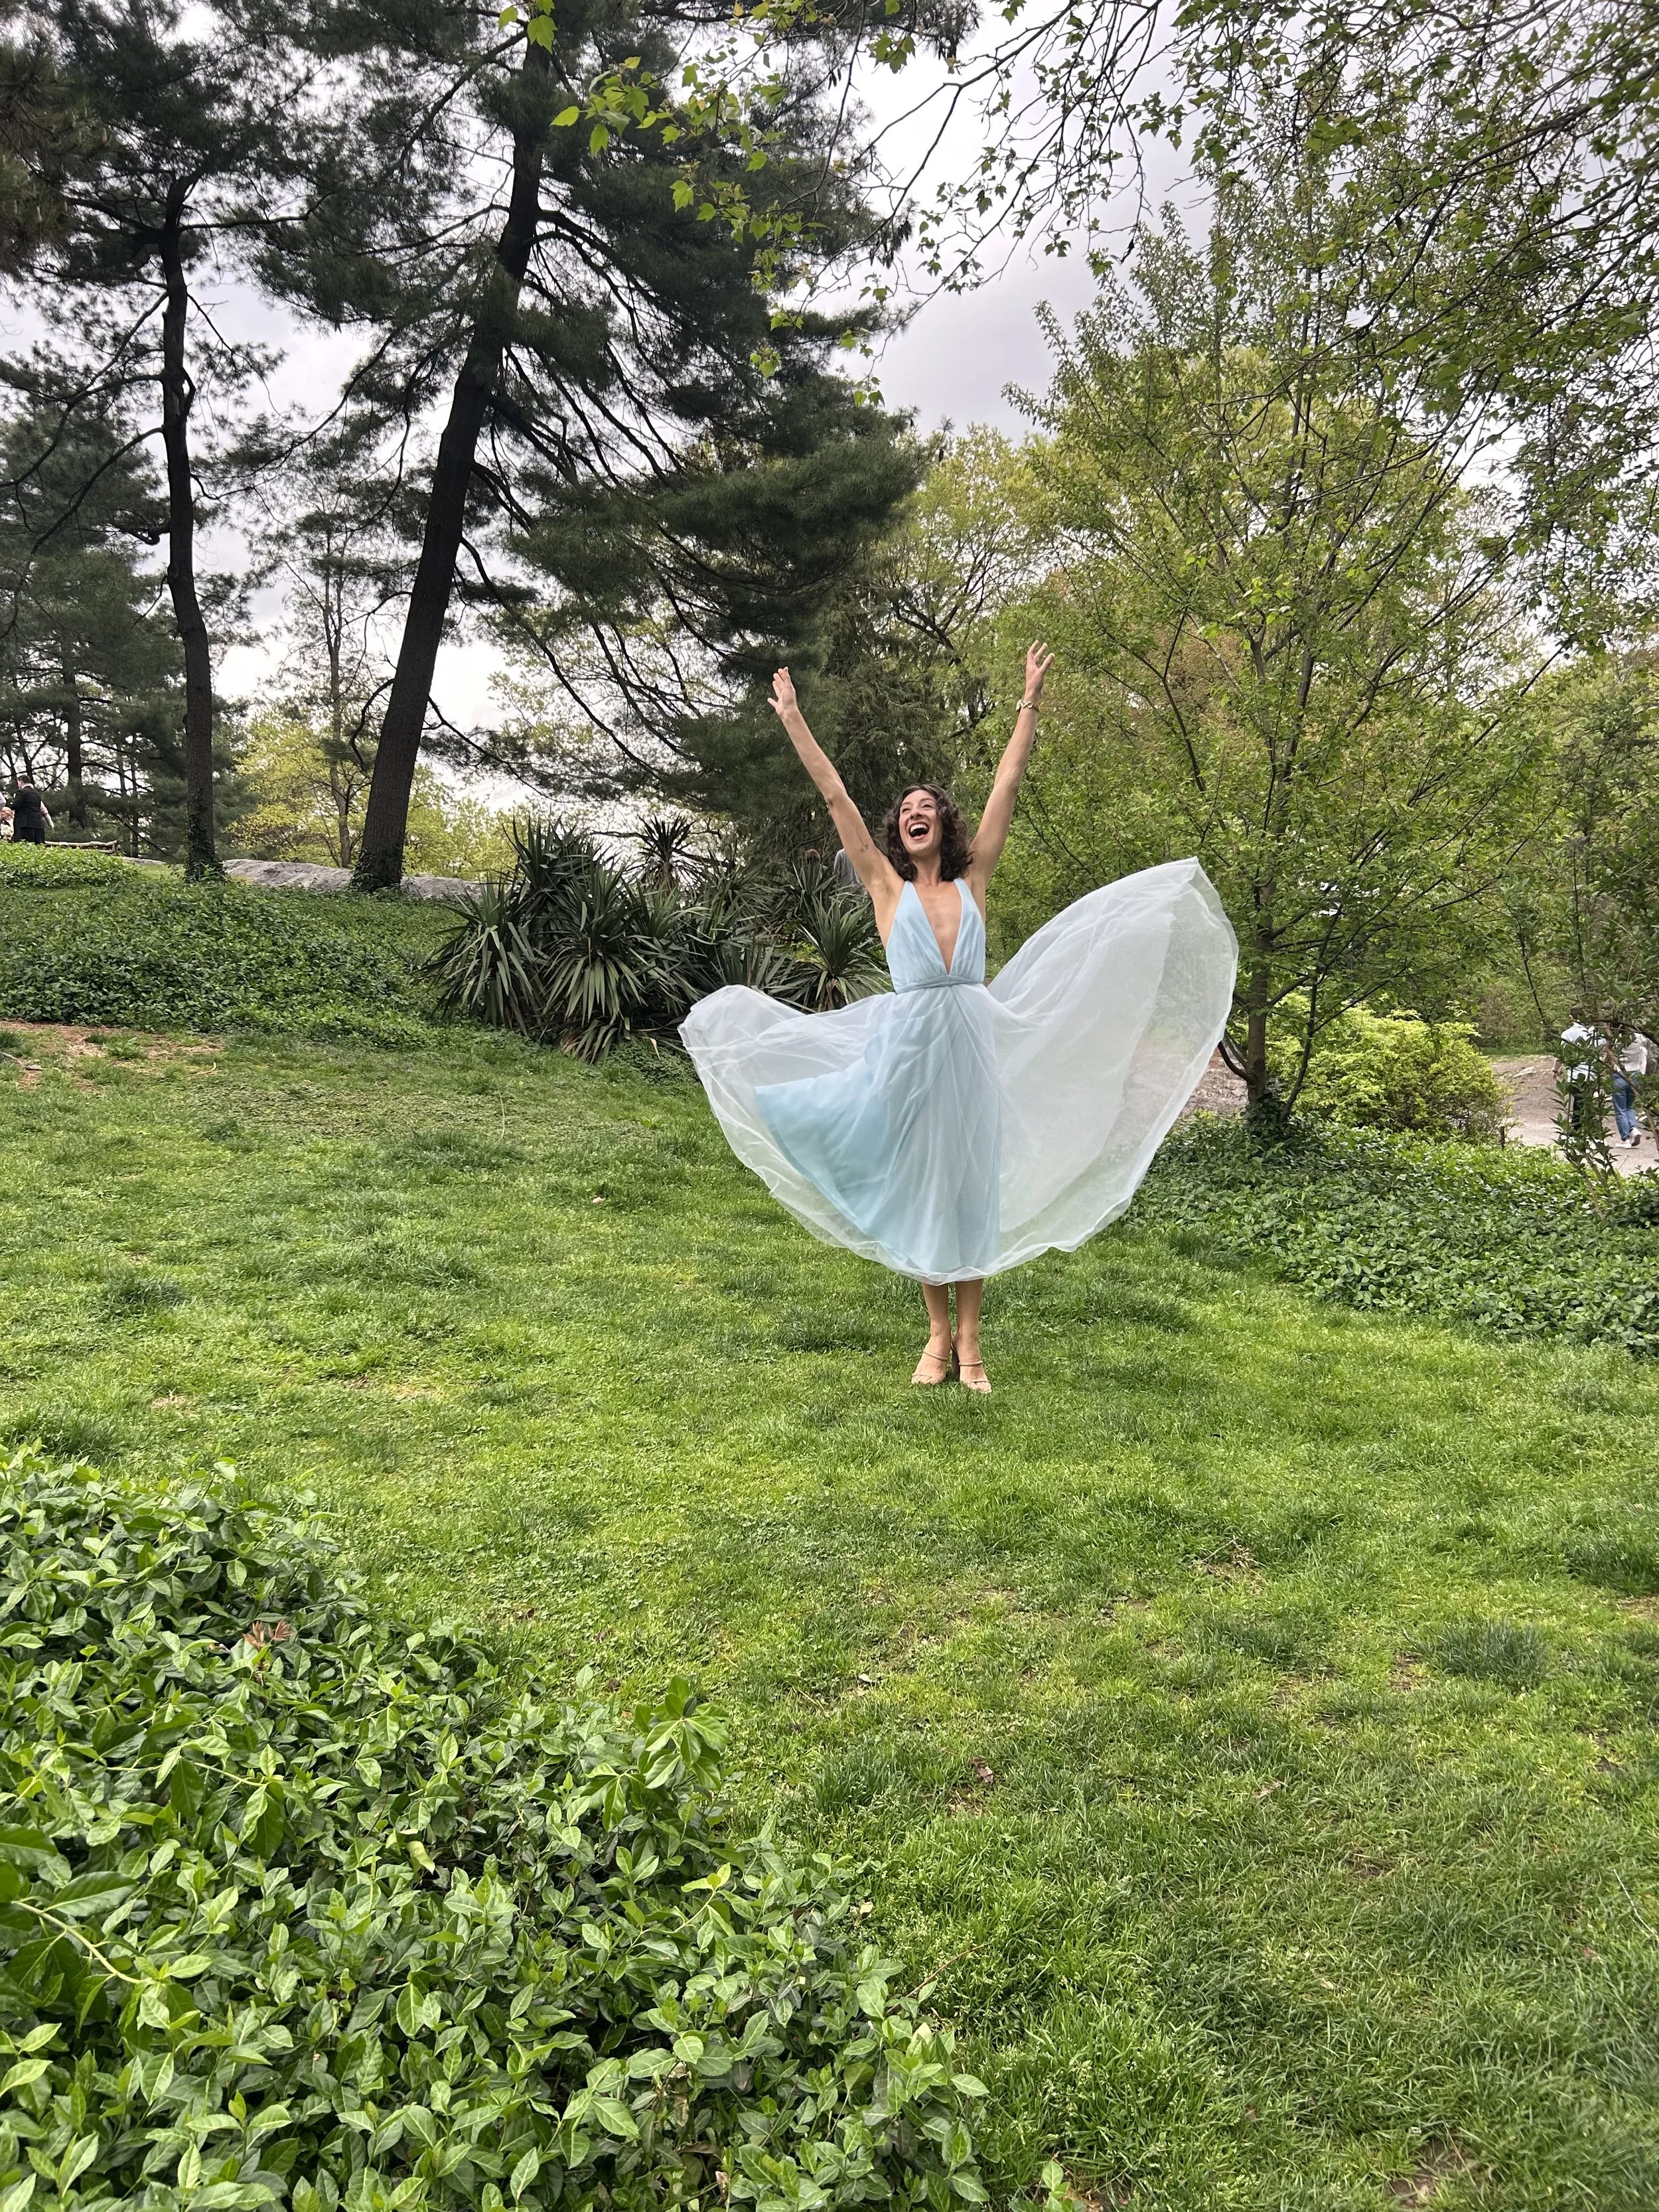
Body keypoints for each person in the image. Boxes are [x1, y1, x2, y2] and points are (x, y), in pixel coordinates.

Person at [680, 646, 1238, 1392]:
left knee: (971, 1189)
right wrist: (793, 723)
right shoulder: (883, 886)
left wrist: (1029, 701)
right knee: (920, 1187)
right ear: (897, 832)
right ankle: (935, 1337)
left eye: (925, 809)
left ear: (944, 823)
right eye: (904, 812)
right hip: (908, 1055)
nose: (913, 816)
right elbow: (837, 799)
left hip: (971, 1051)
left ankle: (971, 1344)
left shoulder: (975, 881)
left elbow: (1008, 781)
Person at [1615, 1031, 1652, 1148]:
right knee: (1629, 1106)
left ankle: (1625, 1139)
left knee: (1620, 1108)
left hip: (1620, 1074)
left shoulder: (1616, 1039)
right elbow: (1646, 1045)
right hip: (1635, 1073)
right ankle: (1633, 1129)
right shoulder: (1639, 1038)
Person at [9, 778, 51, 846]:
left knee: (23, 844)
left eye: (18, 782)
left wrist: (10, 805)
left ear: (21, 782)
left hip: (25, 823)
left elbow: (15, 806)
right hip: (37, 823)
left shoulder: (22, 792)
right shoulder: (37, 794)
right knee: (37, 845)